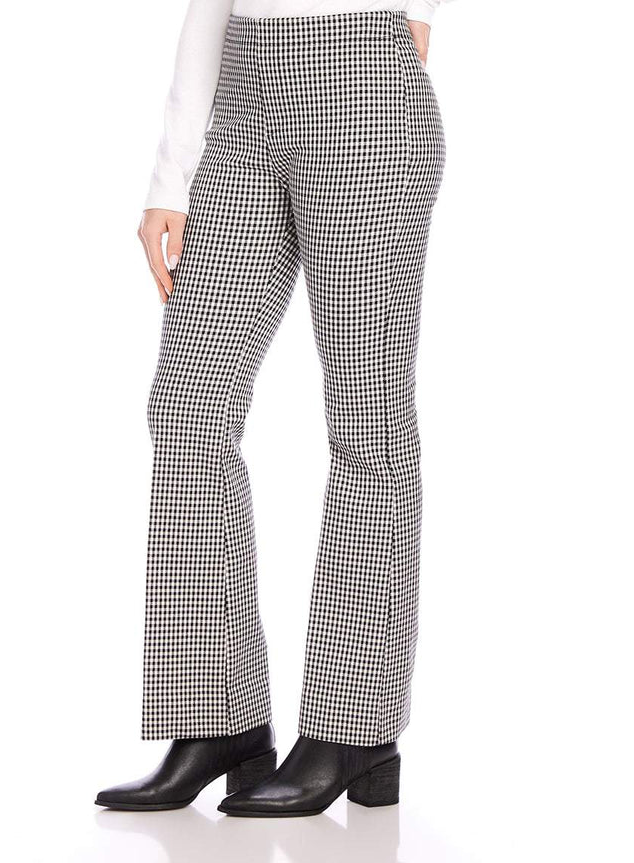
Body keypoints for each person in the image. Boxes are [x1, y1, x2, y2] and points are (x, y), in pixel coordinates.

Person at [96, 0, 449, 818]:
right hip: (244, 94)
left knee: (367, 419)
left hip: (363, 77)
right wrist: (171, 175)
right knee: (188, 405)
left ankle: (355, 725)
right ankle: (217, 716)